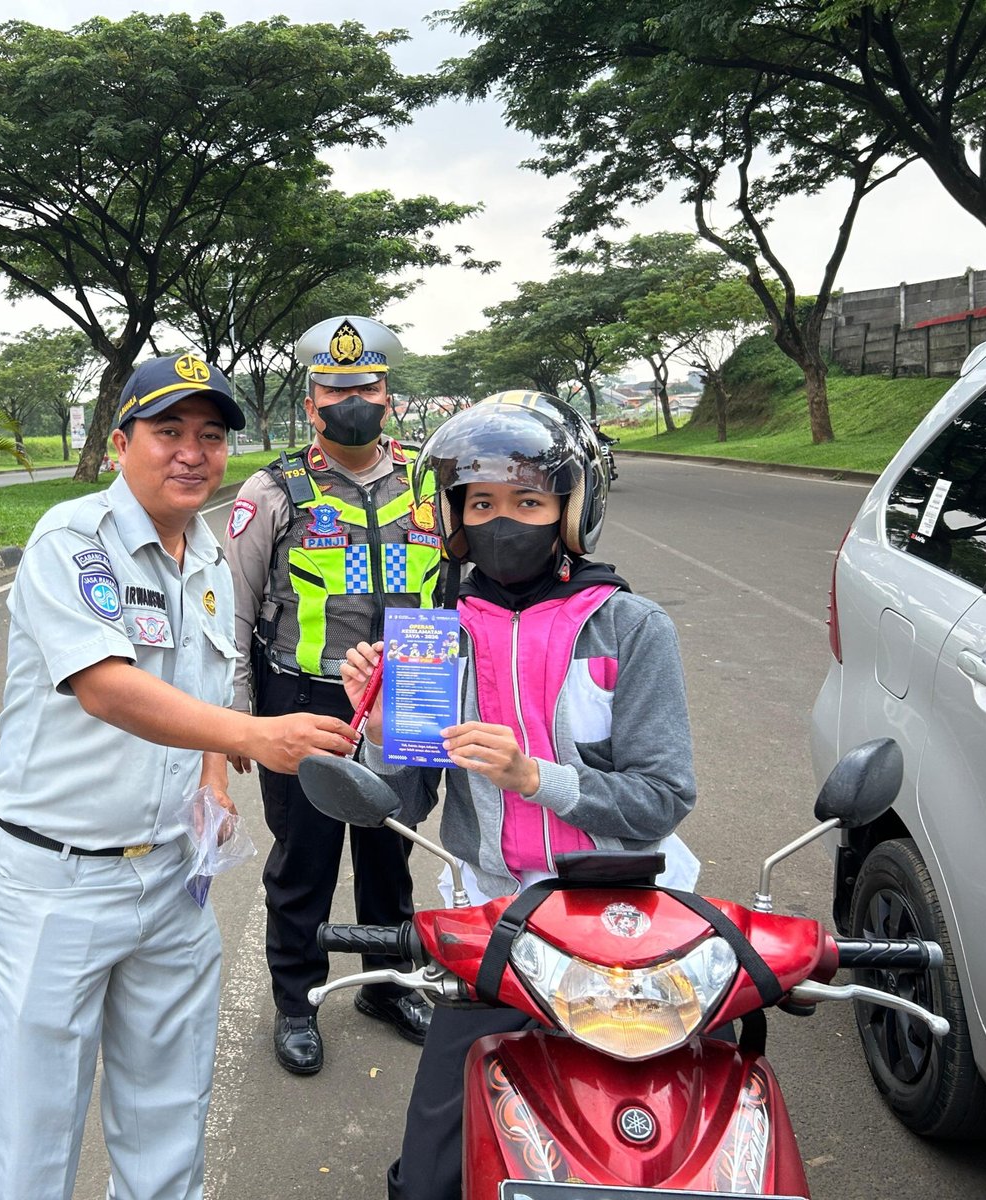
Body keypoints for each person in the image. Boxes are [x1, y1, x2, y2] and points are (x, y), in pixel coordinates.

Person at [0, 354, 360, 1200]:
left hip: (172, 880)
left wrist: (215, 775)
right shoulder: (74, 542)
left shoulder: (210, 555)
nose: (192, 453)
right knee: (36, 1130)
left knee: (170, 1114)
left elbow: (207, 682)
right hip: (58, 881)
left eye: (211, 436)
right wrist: (258, 734)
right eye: (168, 432)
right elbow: (107, 686)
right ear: (119, 442)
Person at [338, 390, 698, 1200]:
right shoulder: (437, 634)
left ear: (570, 510)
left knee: (652, 1141)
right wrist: (378, 722)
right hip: (495, 913)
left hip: (628, 912)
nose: (505, 521)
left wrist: (537, 777)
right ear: (456, 516)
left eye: (529, 500)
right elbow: (401, 802)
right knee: (432, 1170)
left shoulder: (632, 628)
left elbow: (662, 797)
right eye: (483, 502)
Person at [226, 315, 440, 1075]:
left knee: (393, 852)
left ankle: (389, 985)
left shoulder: (431, 481)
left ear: (390, 397)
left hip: (410, 695)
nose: (352, 398)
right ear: (311, 402)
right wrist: (238, 725)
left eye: (366, 386)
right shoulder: (274, 489)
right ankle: (297, 1000)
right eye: (334, 388)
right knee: (304, 862)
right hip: (304, 699)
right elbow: (237, 611)